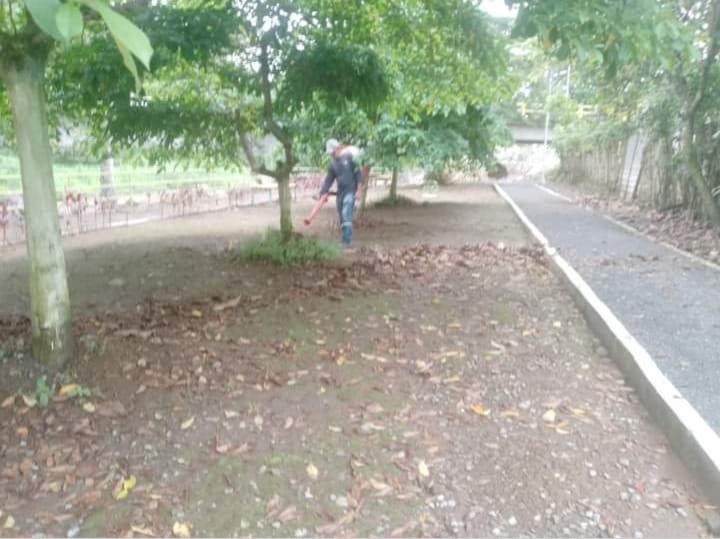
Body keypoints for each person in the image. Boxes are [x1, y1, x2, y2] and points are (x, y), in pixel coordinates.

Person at [319, 138, 362, 246]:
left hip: (351, 190)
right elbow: (329, 180)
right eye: (330, 153)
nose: (331, 154)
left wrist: (359, 190)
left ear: (337, 148)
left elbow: (358, 174)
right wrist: (322, 192)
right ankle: (345, 239)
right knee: (342, 216)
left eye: (332, 152)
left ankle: (347, 240)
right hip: (340, 192)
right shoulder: (332, 164)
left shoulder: (350, 158)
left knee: (346, 213)